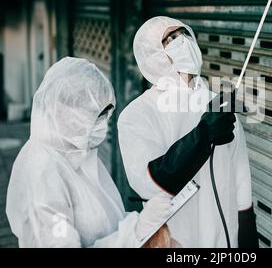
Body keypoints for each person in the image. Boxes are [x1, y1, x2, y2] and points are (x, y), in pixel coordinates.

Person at [118, 16, 258, 248]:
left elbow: (241, 178)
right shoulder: (138, 115)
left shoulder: (218, 106)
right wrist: (203, 136)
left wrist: (248, 239)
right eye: (170, 39)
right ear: (152, 56)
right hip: (176, 242)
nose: (182, 41)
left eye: (184, 34)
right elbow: (149, 183)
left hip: (225, 241)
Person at [6, 57, 174, 248]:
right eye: (97, 116)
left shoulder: (76, 151)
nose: (104, 125)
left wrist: (140, 224)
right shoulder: (41, 172)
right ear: (64, 110)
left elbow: (104, 219)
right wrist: (135, 231)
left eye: (106, 115)